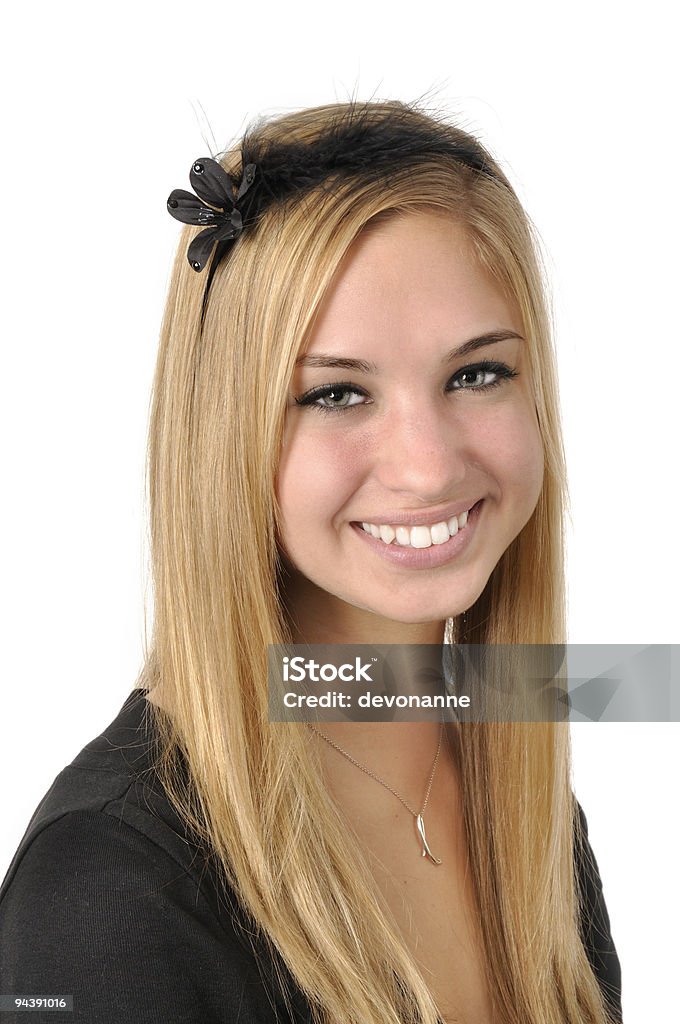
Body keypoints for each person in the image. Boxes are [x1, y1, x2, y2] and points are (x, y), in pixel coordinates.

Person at [0, 100, 622, 1024]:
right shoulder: (104, 893)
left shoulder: (518, 798)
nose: (429, 464)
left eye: (477, 373)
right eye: (336, 393)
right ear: (227, 436)